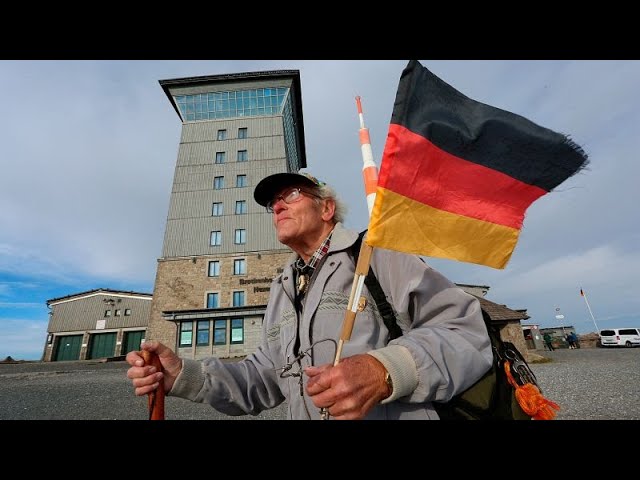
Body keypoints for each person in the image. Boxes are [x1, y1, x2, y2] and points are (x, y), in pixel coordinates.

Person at [126, 171, 493, 420]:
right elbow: (263, 378)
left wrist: (384, 370)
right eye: (273, 203)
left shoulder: (377, 255)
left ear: (327, 208)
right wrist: (183, 376)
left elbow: (466, 334)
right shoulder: (283, 286)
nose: (278, 206)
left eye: (292, 194)